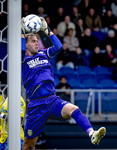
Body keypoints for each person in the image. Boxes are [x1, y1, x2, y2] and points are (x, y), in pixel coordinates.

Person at [21, 17, 106, 150]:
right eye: (33, 41)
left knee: (74, 109)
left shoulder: (43, 53)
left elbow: (59, 46)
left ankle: (92, 133)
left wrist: (47, 30)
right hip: (36, 105)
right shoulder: (23, 59)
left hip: (52, 100)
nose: (37, 43)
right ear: (26, 44)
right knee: (27, 146)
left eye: (37, 41)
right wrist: (22, 31)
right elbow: (20, 46)